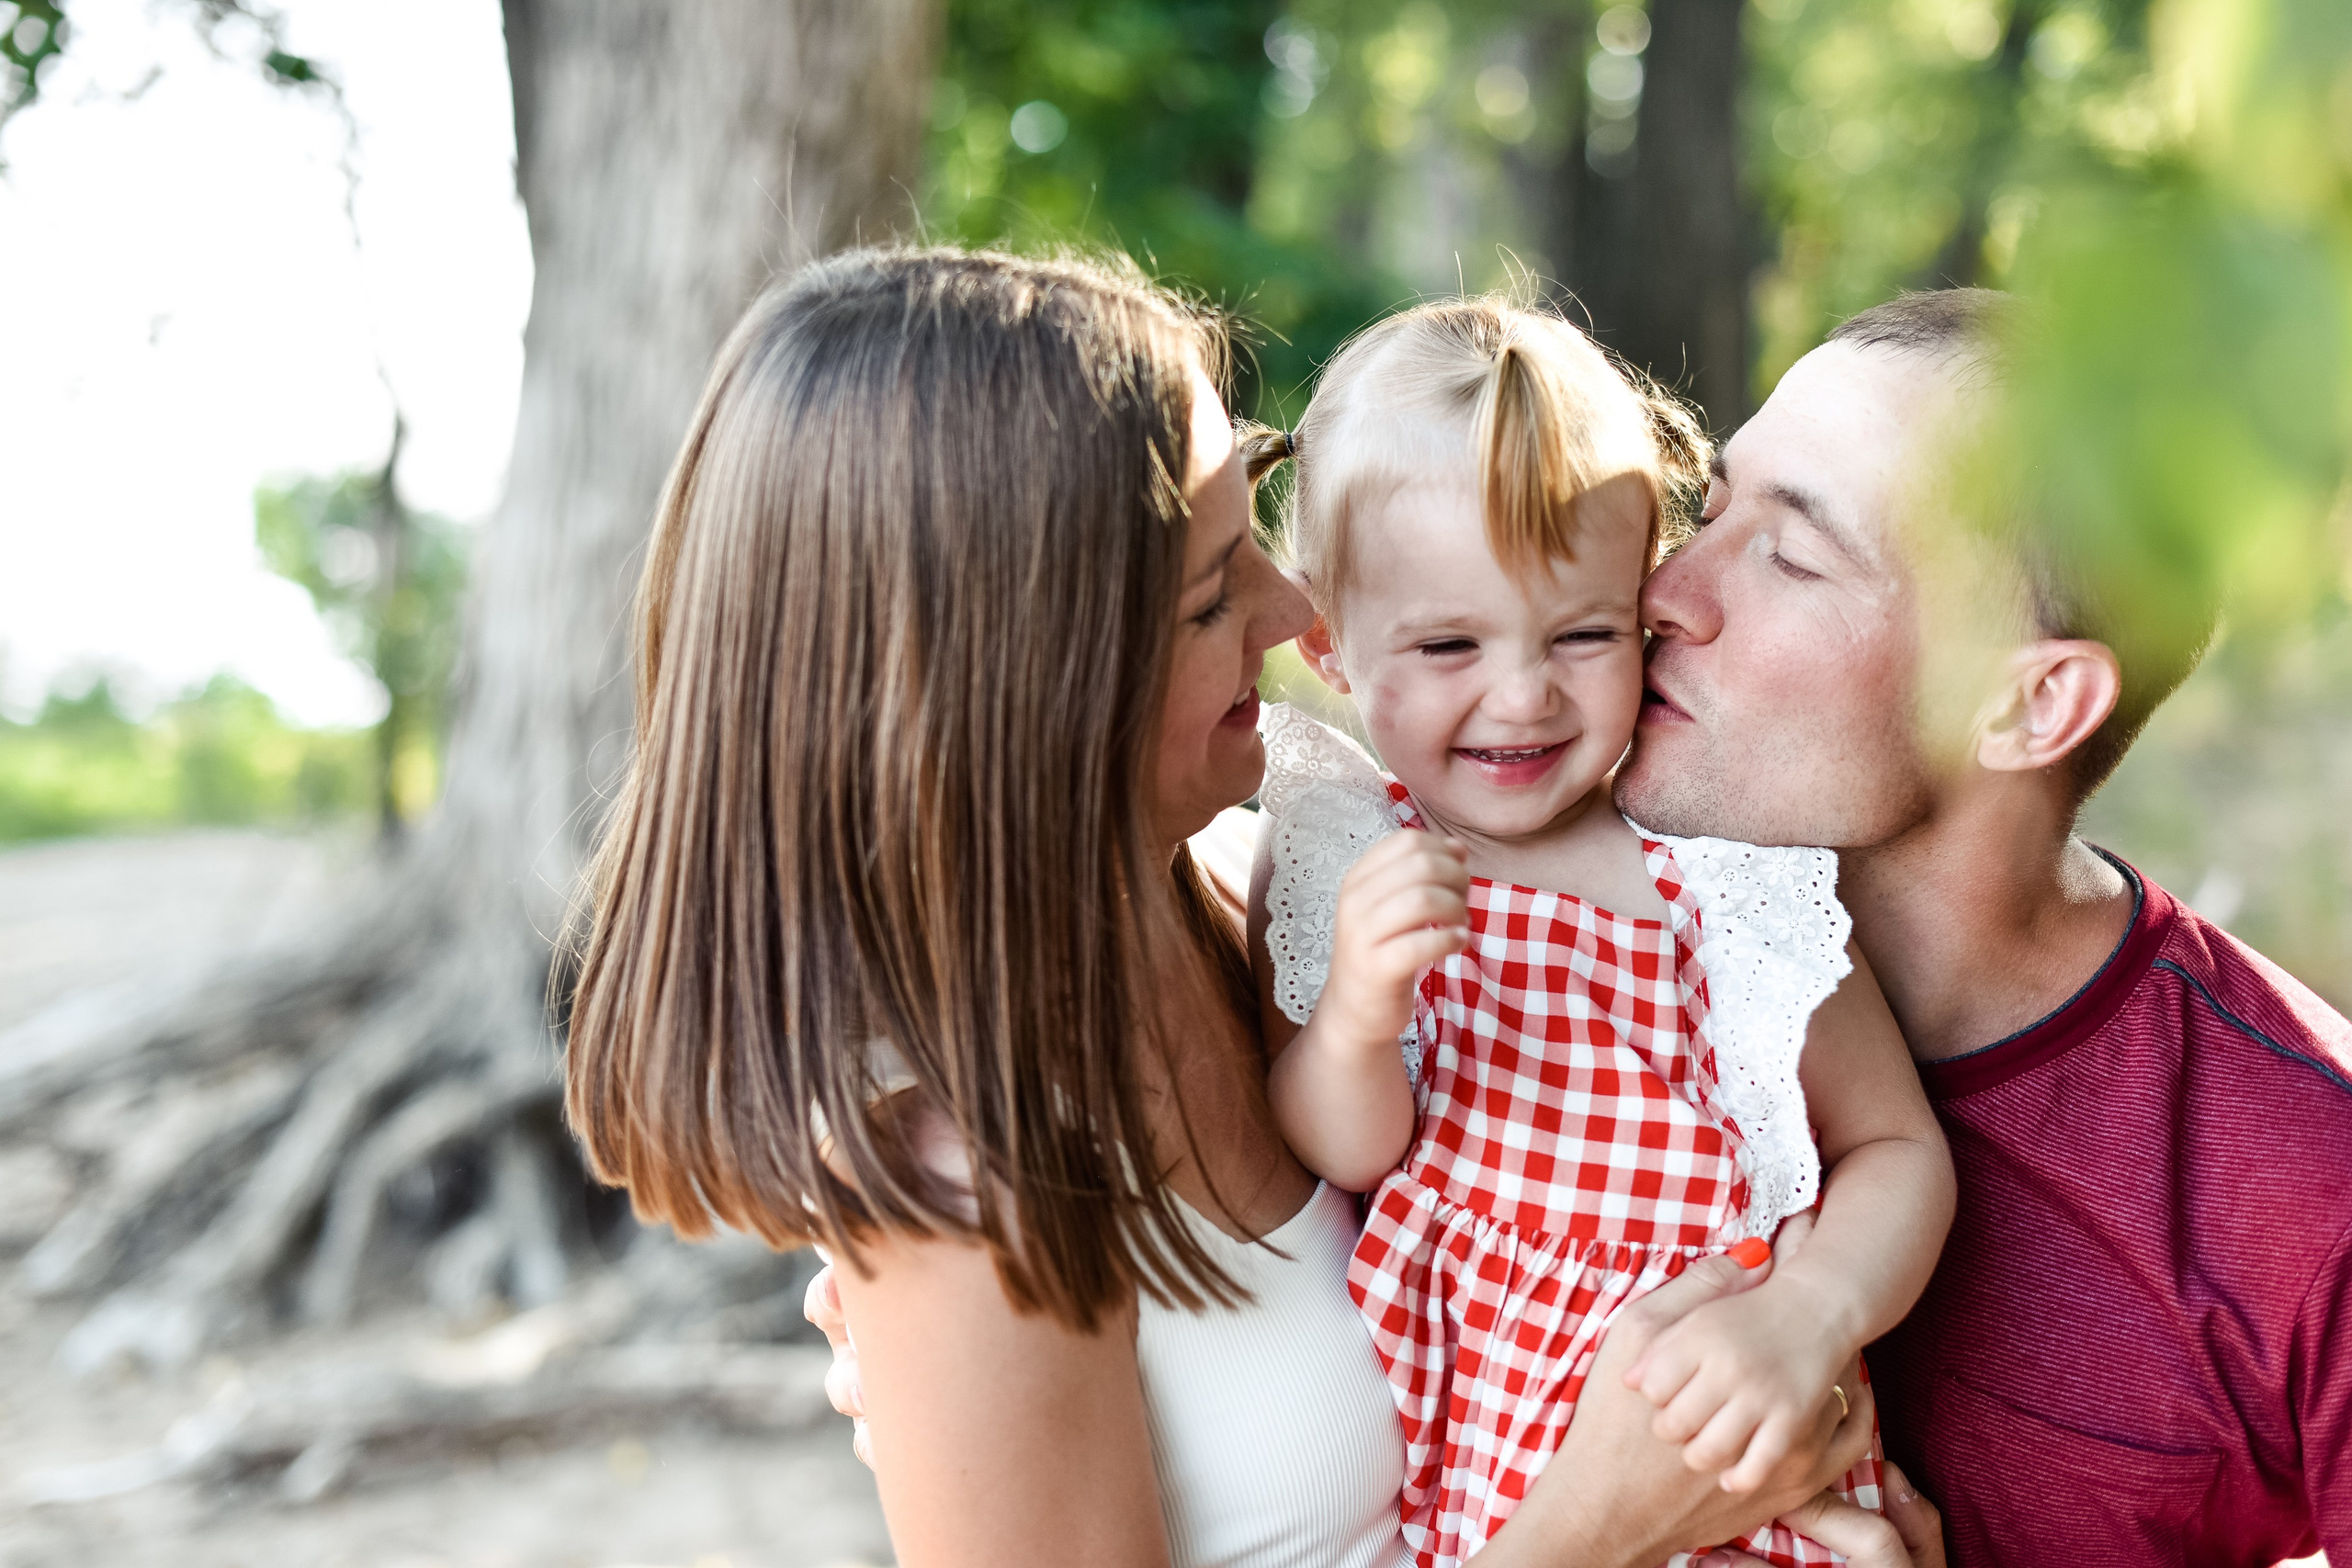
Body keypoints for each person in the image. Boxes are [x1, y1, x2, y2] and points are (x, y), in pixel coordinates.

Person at [565, 247, 1925, 1568]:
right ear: (1034, 684)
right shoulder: (967, 1187)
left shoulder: (1256, 899)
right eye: (1215, 594)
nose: (1291, 611)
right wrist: (1600, 1525)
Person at [1618, 288, 2352, 1564]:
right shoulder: (1498, 946)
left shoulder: (2308, 1187)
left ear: (2030, 706)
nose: (1666, 591)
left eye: (1791, 557)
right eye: (1708, 509)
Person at [1243, 297, 1955, 1568]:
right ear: (1327, 645)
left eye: (1584, 633)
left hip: (1729, 1446)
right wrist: (1359, 1010)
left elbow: (1896, 1144)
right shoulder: (1347, 852)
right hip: (1498, 1482)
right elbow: (1339, 1148)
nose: (1523, 696)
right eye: (1450, 643)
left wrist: (1812, 1310)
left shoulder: (1724, 881)